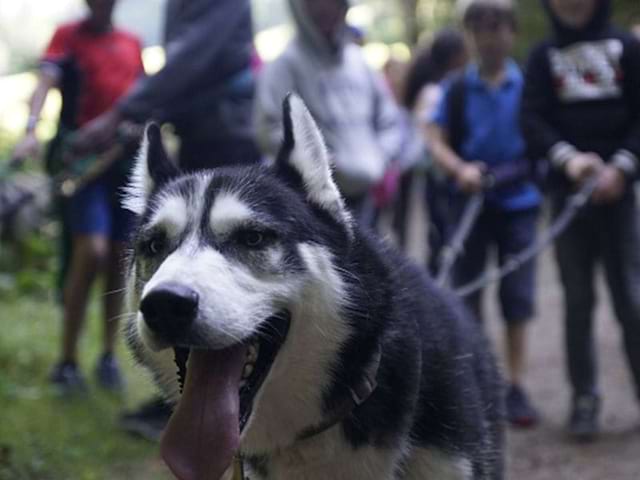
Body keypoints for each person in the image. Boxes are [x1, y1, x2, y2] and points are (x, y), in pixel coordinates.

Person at [72, 0, 261, 441]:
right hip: (202, 138)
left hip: (226, 143)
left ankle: (215, 404)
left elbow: (194, 57)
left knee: (213, 281)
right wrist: (146, 116)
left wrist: (124, 112)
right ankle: (190, 400)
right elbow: (188, 66)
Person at [521, 0, 640, 440]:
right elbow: (531, 120)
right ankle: (584, 399)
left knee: (632, 299)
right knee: (578, 302)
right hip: (568, 200)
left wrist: (621, 168)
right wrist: (569, 161)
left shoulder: (625, 46)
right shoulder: (542, 56)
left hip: (620, 198)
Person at [12, 0, 143, 394]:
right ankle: (67, 359)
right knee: (92, 252)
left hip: (124, 164)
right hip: (81, 166)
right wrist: (32, 129)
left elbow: (144, 95)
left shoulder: (132, 42)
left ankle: (106, 356)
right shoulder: (67, 37)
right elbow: (46, 81)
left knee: (121, 258)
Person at [427, 0, 541, 427]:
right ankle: (474, 381)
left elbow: (540, 138)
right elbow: (435, 139)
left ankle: (515, 385)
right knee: (467, 295)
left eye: (497, 28)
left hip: (519, 204)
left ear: (511, 32)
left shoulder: (527, 85)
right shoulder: (456, 89)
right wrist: (460, 169)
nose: (490, 37)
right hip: (469, 206)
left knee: (517, 297)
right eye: (480, 28)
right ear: (470, 35)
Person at [254, 0, 403, 227]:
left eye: (333, 3)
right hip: (313, 203)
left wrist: (380, 157)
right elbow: (268, 130)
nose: (325, 9)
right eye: (314, 3)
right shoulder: (284, 66)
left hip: (367, 196)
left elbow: (389, 120)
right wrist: (320, 163)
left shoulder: (360, 63)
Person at [402, 28, 468, 269]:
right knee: (443, 234)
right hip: (439, 175)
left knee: (439, 232)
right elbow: (430, 139)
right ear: (455, 56)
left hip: (435, 173)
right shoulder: (438, 92)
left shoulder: (434, 88)